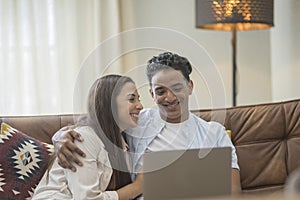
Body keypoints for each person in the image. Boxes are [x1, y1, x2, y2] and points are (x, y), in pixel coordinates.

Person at [53, 52, 242, 195]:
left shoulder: (214, 132)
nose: (170, 97)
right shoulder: (136, 122)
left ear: (190, 86)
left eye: (177, 88)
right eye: (160, 91)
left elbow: (234, 192)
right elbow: (98, 123)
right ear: (152, 94)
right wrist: (61, 135)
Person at [32, 75, 143, 200]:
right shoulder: (83, 138)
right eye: (132, 99)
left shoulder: (122, 142)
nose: (140, 106)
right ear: (109, 103)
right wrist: (137, 186)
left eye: (139, 99)